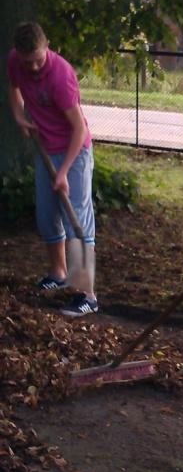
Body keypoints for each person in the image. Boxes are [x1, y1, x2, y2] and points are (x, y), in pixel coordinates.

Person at [7, 22, 98, 317]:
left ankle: (88, 294)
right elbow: (14, 89)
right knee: (47, 216)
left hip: (75, 151)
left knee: (76, 220)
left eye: (38, 59)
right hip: (45, 149)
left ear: (48, 46)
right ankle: (58, 274)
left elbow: (78, 128)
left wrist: (64, 171)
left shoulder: (61, 76)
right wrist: (19, 116)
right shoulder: (15, 61)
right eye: (27, 61)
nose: (33, 67)